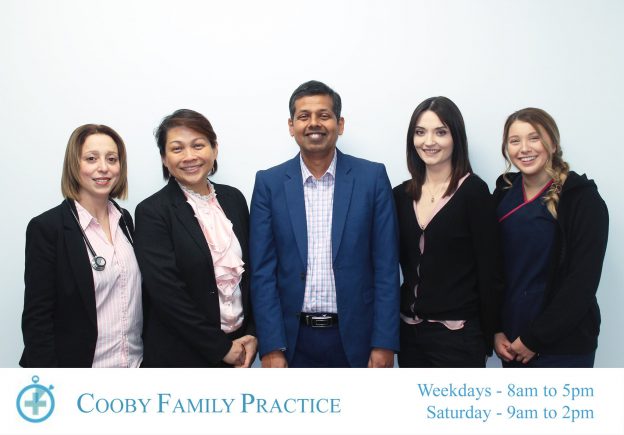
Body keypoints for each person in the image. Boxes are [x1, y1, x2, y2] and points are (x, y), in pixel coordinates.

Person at [250, 80, 399, 368]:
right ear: (291, 126)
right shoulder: (269, 183)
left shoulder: (372, 178)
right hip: (292, 342)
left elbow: (386, 267)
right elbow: (262, 272)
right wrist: (271, 345)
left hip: (357, 338)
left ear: (339, 124)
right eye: (304, 116)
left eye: (324, 115)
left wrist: (384, 342)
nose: (314, 123)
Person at [134, 109, 256, 367]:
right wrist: (220, 348)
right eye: (177, 148)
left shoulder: (234, 199)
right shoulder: (152, 212)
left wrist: (252, 333)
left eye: (198, 145)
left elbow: (253, 274)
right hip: (181, 356)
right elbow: (167, 294)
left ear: (214, 149)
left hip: (239, 348)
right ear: (164, 158)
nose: (189, 156)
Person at [493, 108, 608, 368]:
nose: (524, 148)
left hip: (563, 345)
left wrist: (535, 339)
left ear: (553, 144)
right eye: (514, 140)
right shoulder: (502, 194)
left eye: (534, 138)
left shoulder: (581, 199)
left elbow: (582, 282)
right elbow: (492, 269)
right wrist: (495, 328)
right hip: (511, 341)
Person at [20, 124, 142, 367]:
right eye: (91, 158)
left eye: (112, 159)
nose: (103, 167)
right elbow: (37, 319)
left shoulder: (125, 220)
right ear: (74, 164)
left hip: (135, 365)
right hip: (84, 373)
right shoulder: (48, 228)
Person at [393, 97, 502, 368]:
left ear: (456, 138)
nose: (429, 141)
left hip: (459, 338)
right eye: (420, 132)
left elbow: (491, 271)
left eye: (440, 132)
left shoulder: (474, 192)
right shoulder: (400, 195)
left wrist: (492, 331)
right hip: (409, 335)